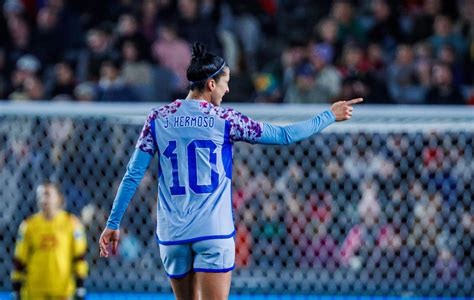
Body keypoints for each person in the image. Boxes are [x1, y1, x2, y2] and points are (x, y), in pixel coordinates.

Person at [99, 42, 362, 299]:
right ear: (211, 84)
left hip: (173, 234)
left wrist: (113, 223)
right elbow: (284, 135)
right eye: (225, 83)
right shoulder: (225, 120)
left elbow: (133, 174)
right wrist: (328, 116)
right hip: (213, 230)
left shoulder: (158, 118)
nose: (227, 89)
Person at [11, 181, 88, 300]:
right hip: (34, 290)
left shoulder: (71, 223)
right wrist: (16, 287)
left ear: (58, 198)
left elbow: (79, 257)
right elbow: (19, 259)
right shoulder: (28, 226)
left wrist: (80, 286)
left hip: (62, 290)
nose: (43, 199)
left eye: (47, 194)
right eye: (40, 195)